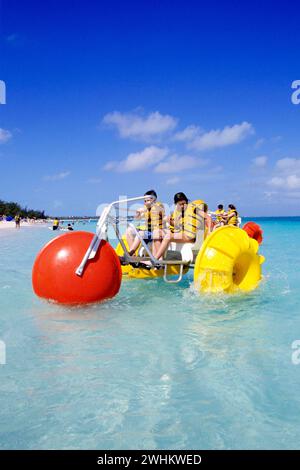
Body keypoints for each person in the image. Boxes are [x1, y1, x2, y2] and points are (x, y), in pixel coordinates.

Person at [154, 192, 206, 261]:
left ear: (186, 201)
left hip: (189, 236)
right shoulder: (179, 212)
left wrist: (209, 232)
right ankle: (159, 259)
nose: (182, 206)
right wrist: (169, 221)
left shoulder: (193, 208)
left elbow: (208, 218)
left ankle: (154, 260)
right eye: (179, 204)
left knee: (168, 236)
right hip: (181, 234)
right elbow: (177, 226)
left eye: (183, 203)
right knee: (156, 233)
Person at [127, 190, 165, 257]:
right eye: (144, 201)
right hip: (148, 233)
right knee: (129, 230)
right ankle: (132, 255)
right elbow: (136, 220)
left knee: (141, 233)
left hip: (156, 232)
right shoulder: (145, 208)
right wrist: (138, 213)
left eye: (147, 200)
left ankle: (131, 252)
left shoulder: (159, 206)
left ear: (154, 200)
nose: (145, 202)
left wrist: (146, 209)